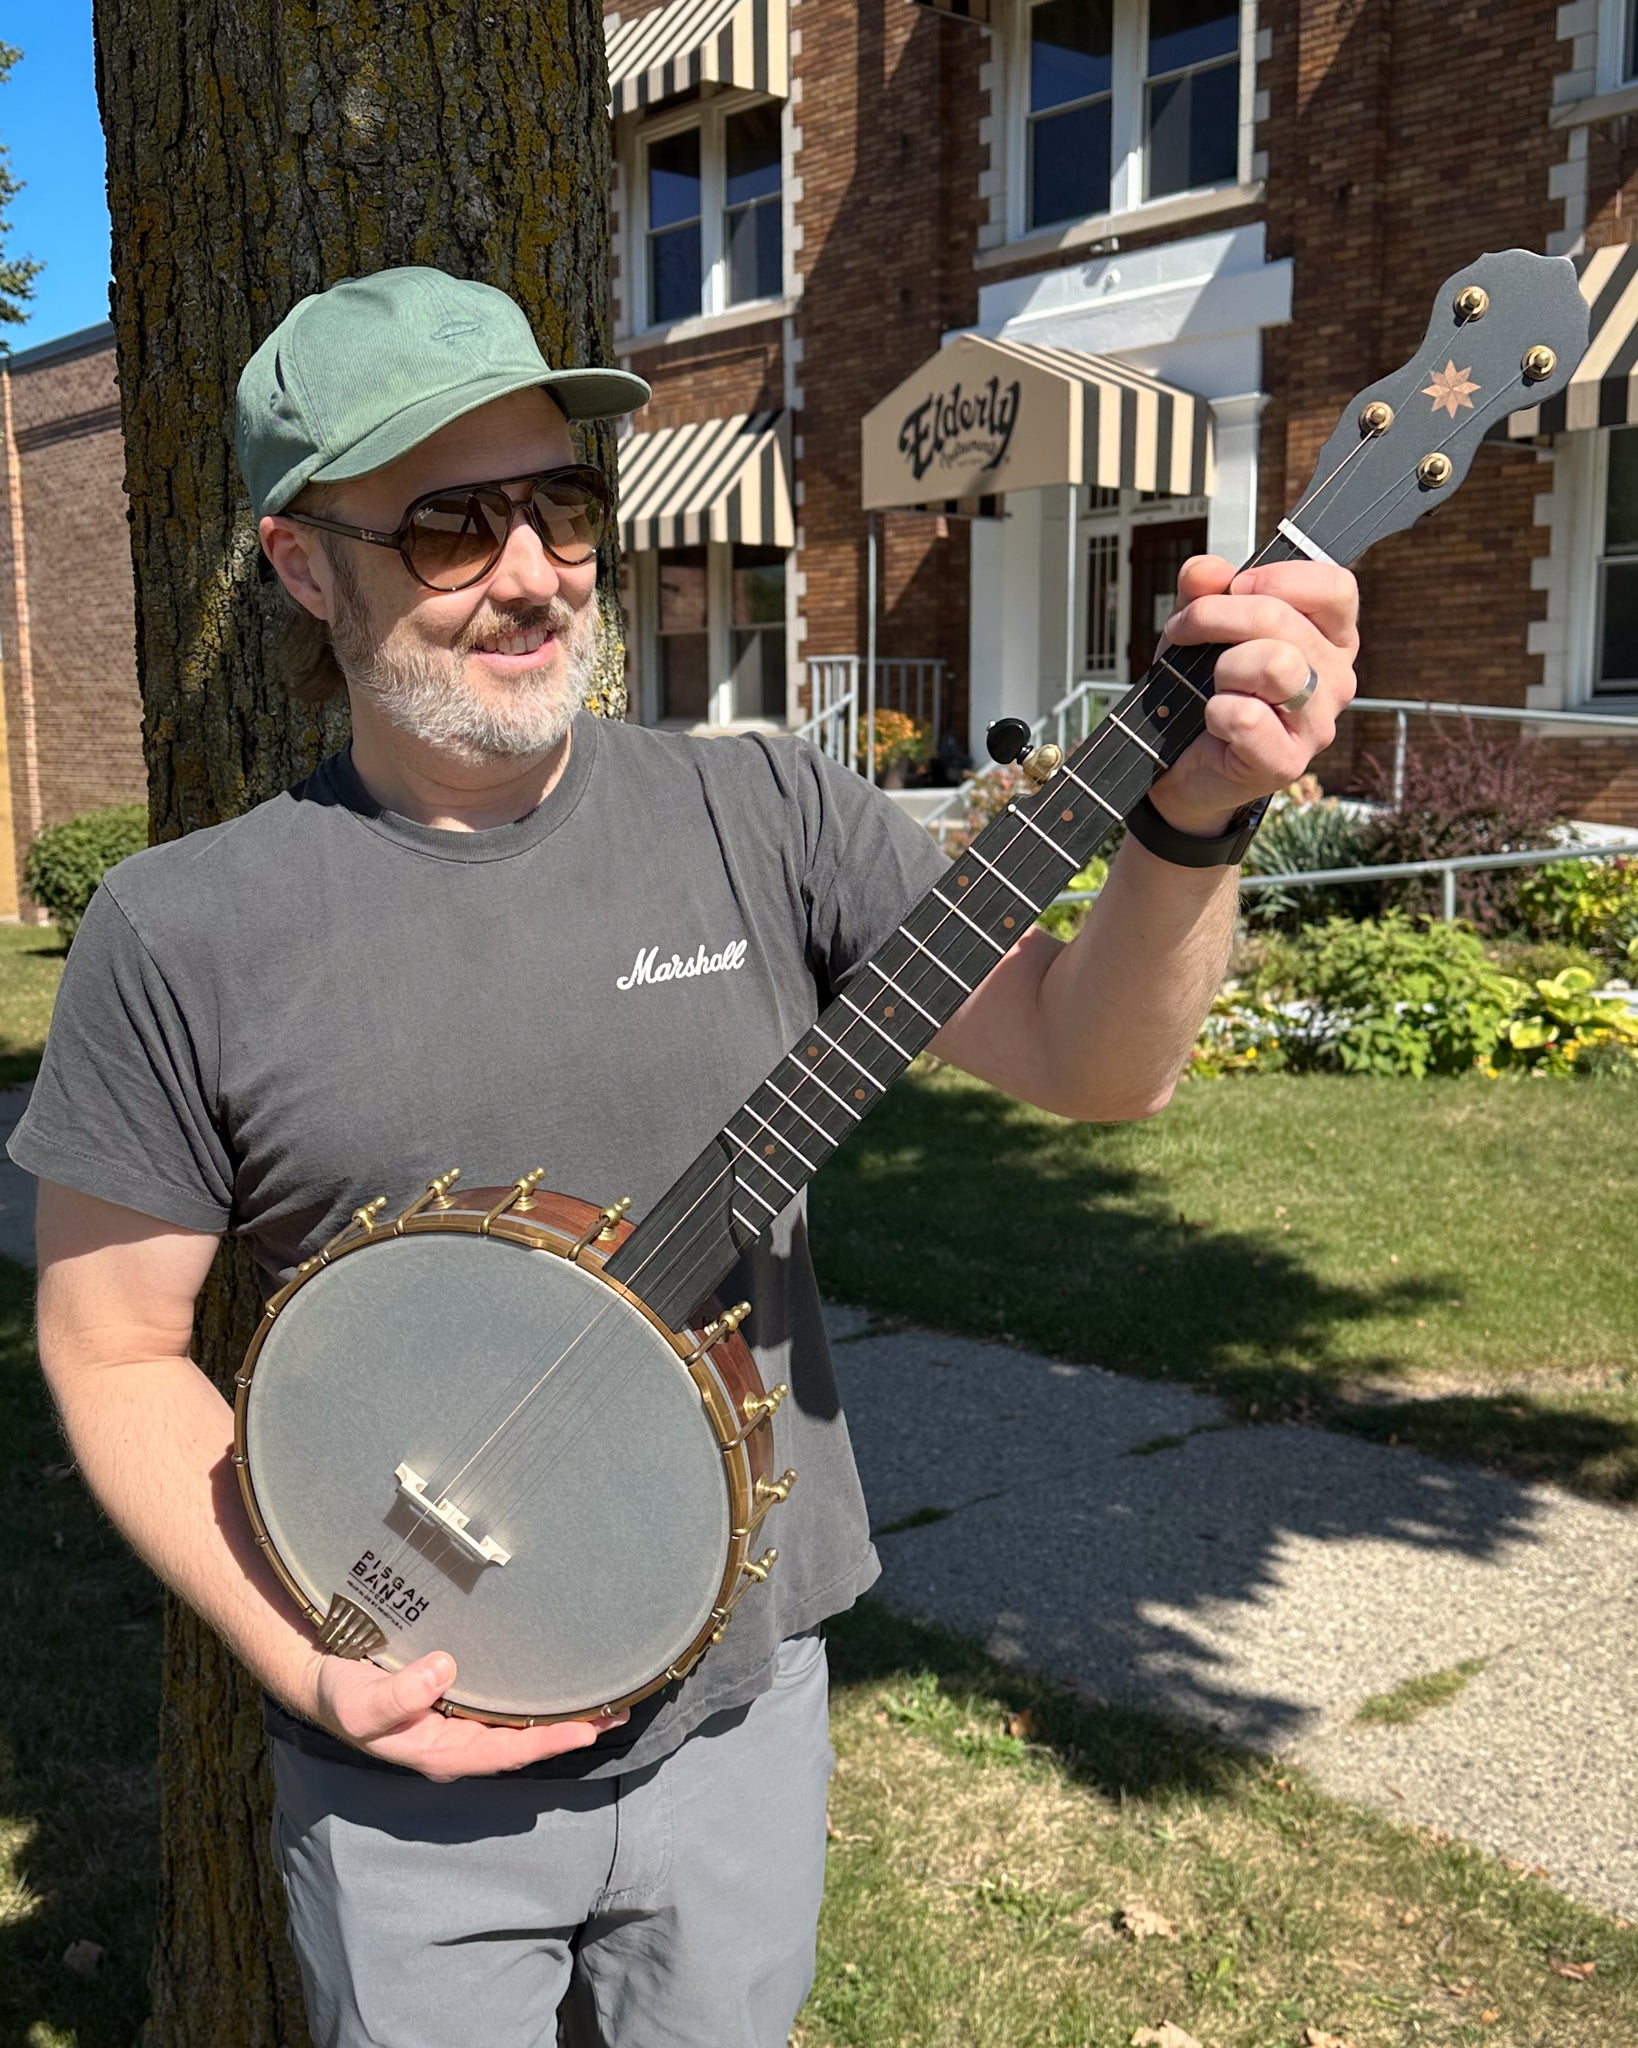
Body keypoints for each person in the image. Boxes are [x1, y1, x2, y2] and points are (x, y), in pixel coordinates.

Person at [15, 266, 1358, 2048]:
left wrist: (1194, 826)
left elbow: (1088, 1064)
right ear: (299, 561)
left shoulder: (767, 811)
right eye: (444, 526)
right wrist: (308, 1661)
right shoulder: (186, 930)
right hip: (407, 1758)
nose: (529, 573)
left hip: (743, 1710)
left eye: (561, 508)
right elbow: (110, 1340)